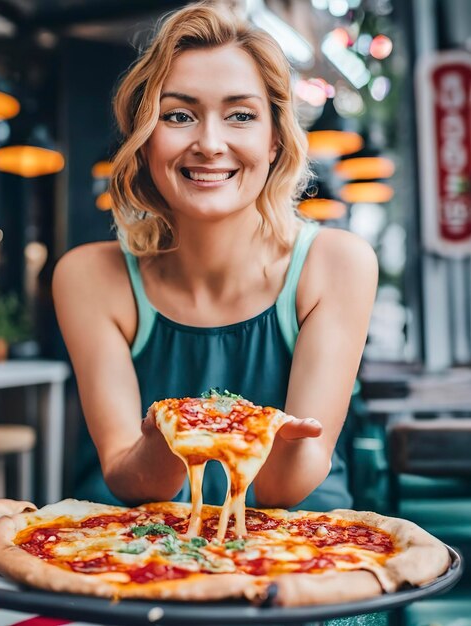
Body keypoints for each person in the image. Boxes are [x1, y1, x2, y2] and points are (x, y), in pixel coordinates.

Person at [53, 1, 378, 513]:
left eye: (241, 116)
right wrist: (182, 431)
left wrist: (245, 433)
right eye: (179, 115)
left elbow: (280, 491)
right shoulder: (89, 276)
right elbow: (126, 478)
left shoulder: (337, 264)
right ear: (144, 142)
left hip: (303, 555)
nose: (209, 142)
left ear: (274, 140)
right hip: (131, 557)